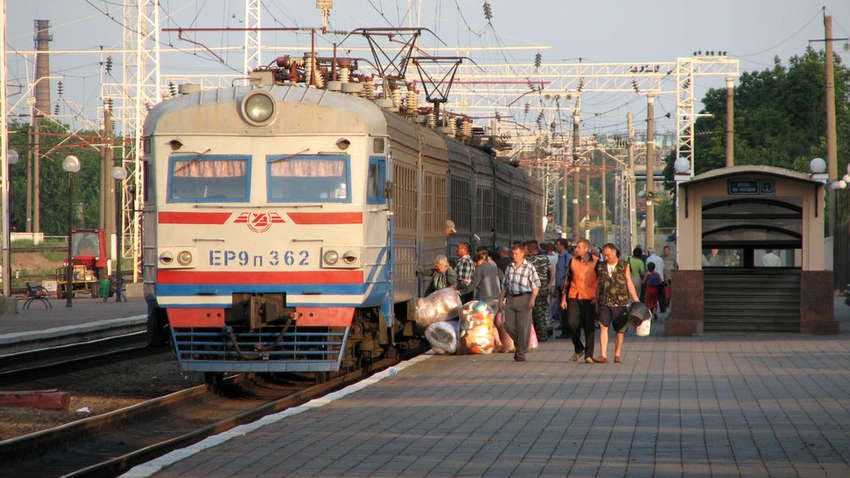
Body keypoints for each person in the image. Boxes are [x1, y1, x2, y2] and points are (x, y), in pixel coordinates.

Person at [595, 243, 640, 364]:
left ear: (615, 252)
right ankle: (603, 355)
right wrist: (596, 300)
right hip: (605, 301)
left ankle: (617, 354)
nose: (606, 257)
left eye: (608, 254)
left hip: (621, 302)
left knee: (620, 330)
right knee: (603, 327)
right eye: (604, 255)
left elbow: (629, 283)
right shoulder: (600, 266)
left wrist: (636, 299)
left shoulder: (624, 265)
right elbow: (598, 284)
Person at [498, 243, 541, 362]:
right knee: (508, 325)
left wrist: (532, 299)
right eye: (513, 253)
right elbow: (505, 285)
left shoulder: (529, 267)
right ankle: (521, 345)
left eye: (516, 253)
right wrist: (501, 299)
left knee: (523, 327)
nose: (514, 256)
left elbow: (536, 285)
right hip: (511, 299)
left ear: (522, 254)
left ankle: (521, 352)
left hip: (525, 298)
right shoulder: (509, 267)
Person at [560, 239, 598, 363]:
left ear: (586, 249)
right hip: (574, 296)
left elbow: (601, 281)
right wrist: (564, 298)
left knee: (589, 326)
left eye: (579, 247)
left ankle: (589, 354)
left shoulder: (596, 262)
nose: (576, 249)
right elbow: (567, 280)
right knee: (571, 323)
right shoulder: (573, 261)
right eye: (576, 247)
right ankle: (579, 347)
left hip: (589, 298)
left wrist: (597, 298)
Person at [525, 240, 553, 342]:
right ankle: (543, 334)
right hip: (544, 288)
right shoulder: (544, 258)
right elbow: (552, 270)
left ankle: (537, 335)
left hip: (533, 289)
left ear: (529, 249)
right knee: (541, 312)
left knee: (534, 313)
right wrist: (550, 283)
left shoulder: (528, 260)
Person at [461, 248, 502, 313]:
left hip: (484, 300)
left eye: (476, 262)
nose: (476, 264)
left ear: (479, 259)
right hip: (496, 298)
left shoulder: (480, 268)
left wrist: (461, 292)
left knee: (481, 320)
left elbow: (473, 284)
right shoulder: (494, 266)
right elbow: (501, 278)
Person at [553, 238, 573, 337]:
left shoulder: (567, 258)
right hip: (559, 287)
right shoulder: (558, 257)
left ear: (562, 246)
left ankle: (567, 331)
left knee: (565, 310)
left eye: (557, 245)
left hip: (565, 287)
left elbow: (568, 272)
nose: (555, 246)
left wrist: (564, 284)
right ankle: (564, 328)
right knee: (562, 310)